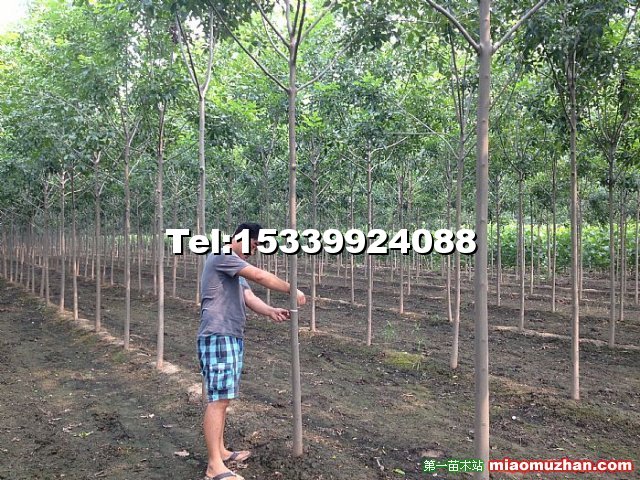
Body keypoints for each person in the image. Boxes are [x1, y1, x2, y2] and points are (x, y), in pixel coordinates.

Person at [197, 222, 306, 480]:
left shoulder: (235, 268)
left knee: (224, 398)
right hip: (218, 334)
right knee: (218, 400)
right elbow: (259, 275)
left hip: (231, 334)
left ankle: (221, 452)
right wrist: (291, 288)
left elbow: (249, 297)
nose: (253, 251)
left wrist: (270, 311)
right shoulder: (222, 254)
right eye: (254, 245)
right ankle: (214, 466)